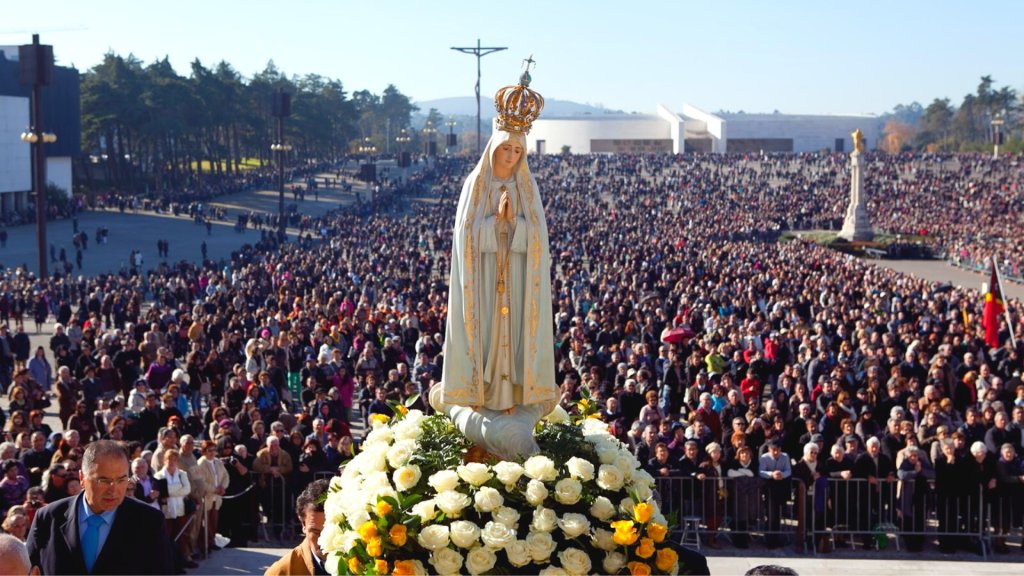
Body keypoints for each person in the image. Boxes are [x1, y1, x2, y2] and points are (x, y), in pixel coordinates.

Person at [428, 66, 559, 459]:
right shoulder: (476, 185)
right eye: (507, 149)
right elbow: (464, 238)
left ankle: (514, 395)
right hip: (484, 280)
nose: (512, 156)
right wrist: (494, 224)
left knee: (514, 332)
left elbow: (538, 241)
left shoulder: (527, 188)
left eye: (518, 151)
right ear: (494, 148)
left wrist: (514, 225)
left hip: (516, 279)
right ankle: (480, 393)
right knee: (486, 332)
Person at [26, 440, 173, 574]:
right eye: (103, 480)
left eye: (121, 480)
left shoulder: (150, 522)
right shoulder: (48, 518)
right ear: (82, 478)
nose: (113, 490)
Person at [265, 478, 331, 575]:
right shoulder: (281, 572)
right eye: (316, 533)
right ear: (303, 524)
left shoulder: (356, 562)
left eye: (330, 532)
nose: (323, 542)